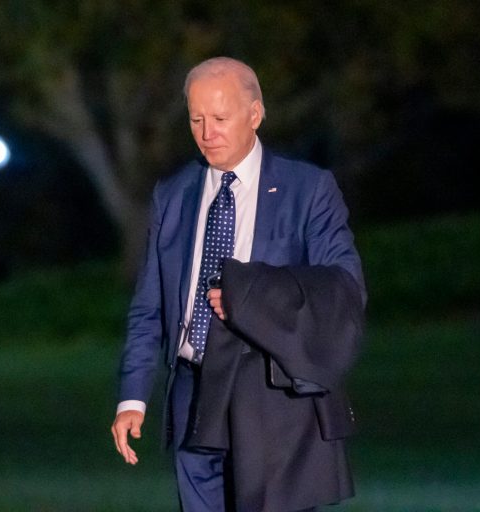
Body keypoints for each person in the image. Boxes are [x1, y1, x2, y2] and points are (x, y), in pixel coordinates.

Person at [111, 57, 366, 512]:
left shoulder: (307, 189)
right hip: (193, 390)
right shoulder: (173, 194)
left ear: (255, 114)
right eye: (196, 119)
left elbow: (344, 289)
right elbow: (149, 306)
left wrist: (253, 297)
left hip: (271, 395)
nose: (207, 132)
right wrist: (132, 397)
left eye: (221, 118)